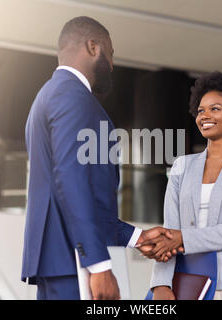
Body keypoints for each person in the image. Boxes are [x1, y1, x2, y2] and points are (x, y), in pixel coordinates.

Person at [21, 16, 171, 300]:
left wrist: (137, 237)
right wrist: (99, 266)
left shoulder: (49, 94)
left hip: (61, 259)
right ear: (93, 47)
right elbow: (72, 182)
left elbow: (75, 194)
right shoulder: (71, 96)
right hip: (74, 260)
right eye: (110, 53)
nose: (112, 65)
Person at [140, 71, 222, 300]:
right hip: (184, 280)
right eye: (201, 110)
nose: (205, 115)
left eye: (215, 109)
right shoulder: (182, 165)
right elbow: (170, 230)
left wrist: (185, 239)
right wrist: (160, 283)